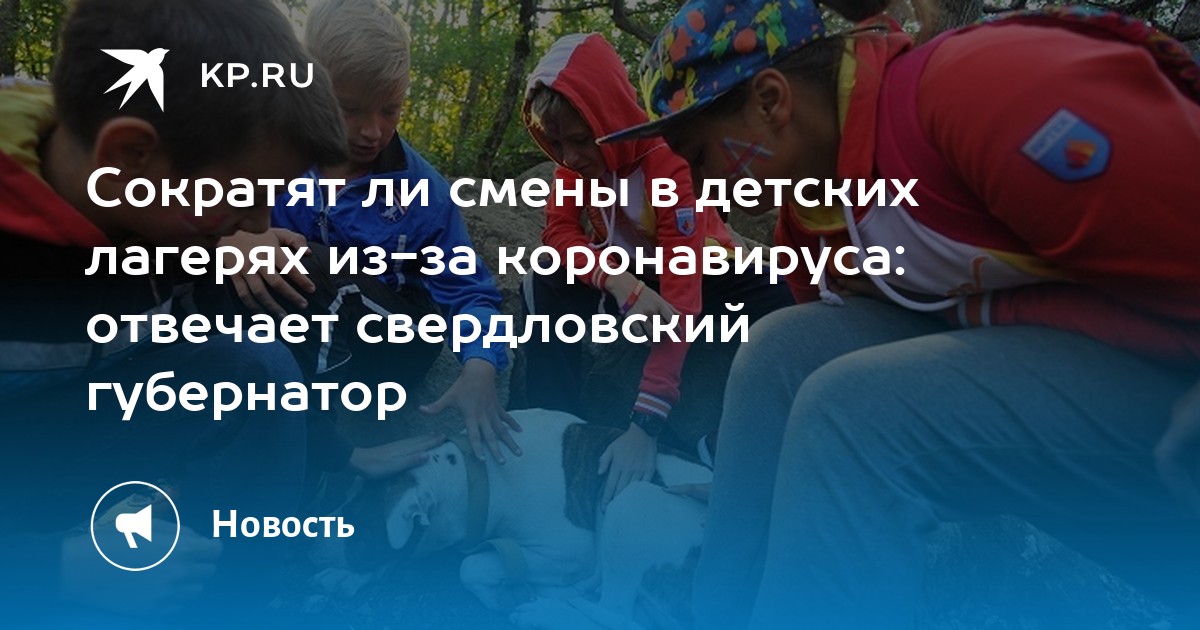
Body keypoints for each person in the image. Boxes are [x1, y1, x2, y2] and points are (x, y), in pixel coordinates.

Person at [602, 0, 1200, 627]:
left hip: (1171, 385)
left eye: (699, 156)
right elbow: (802, 377)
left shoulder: (980, 90)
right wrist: (753, 489)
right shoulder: (811, 221)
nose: (697, 186)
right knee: (778, 349)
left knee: (851, 410)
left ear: (772, 101)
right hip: (1054, 369)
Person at [0, 0, 348, 620]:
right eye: (245, 195)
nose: (258, 228)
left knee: (253, 370)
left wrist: (342, 455)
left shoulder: (161, 222)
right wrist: (53, 568)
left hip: (64, 433)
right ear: (129, 157)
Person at [224, 0, 519, 464]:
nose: (372, 131)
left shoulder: (423, 191)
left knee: (309, 262)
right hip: (305, 325)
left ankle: (327, 459)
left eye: (390, 109)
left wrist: (481, 363)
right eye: (351, 109)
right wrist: (234, 240)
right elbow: (198, 215)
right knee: (232, 274)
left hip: (392, 342)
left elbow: (469, 292)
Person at [521, 33, 793, 501]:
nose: (568, 157)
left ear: (609, 118)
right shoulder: (574, 168)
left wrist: (645, 424)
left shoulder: (668, 161)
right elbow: (559, 234)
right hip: (633, 277)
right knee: (545, 275)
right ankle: (554, 423)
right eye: (557, 143)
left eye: (581, 140)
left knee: (790, 301)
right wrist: (620, 283)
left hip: (707, 273)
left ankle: (725, 442)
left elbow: (681, 295)